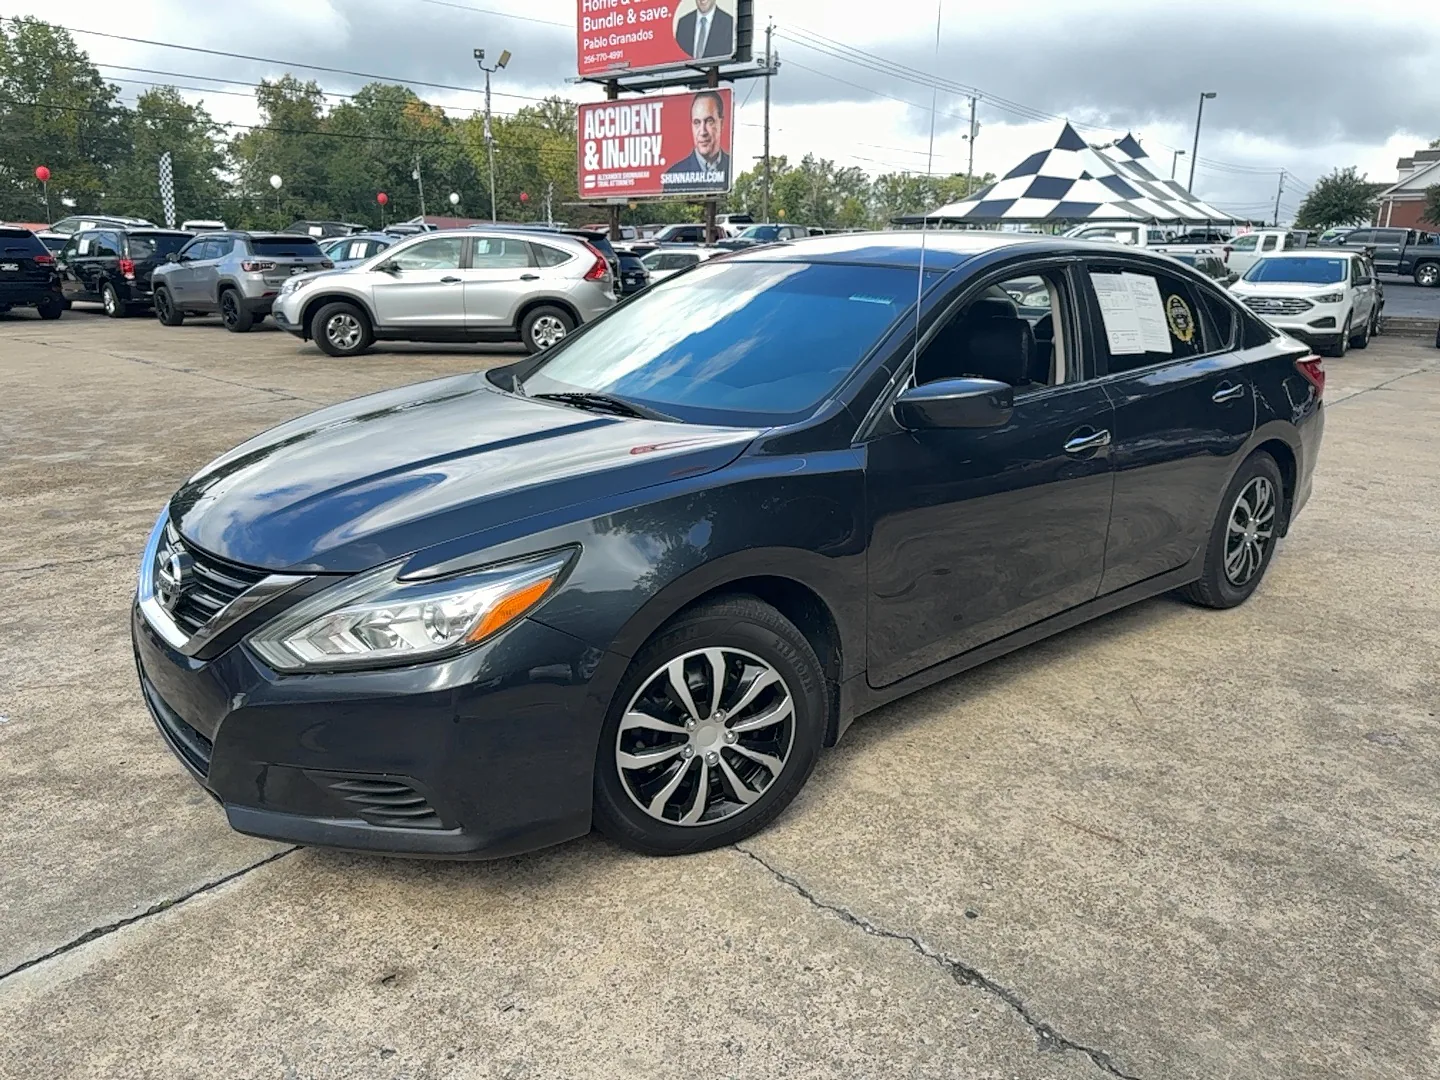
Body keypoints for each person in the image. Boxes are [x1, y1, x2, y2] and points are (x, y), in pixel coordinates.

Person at [662, 92, 731, 194]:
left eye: (709, 121)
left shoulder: (733, 168)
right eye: (697, 122)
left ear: (721, 123)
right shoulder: (673, 176)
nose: (703, 132)